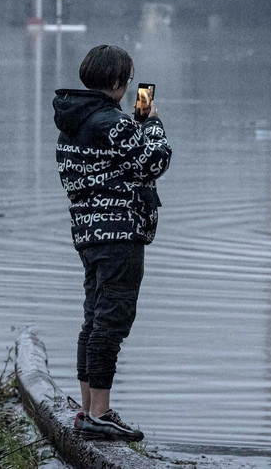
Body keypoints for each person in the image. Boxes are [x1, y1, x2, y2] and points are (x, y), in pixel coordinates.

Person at [54, 44, 171, 442]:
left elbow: (115, 162)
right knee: (112, 322)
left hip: (88, 234)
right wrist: (151, 122)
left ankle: (87, 411)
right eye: (129, 79)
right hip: (119, 234)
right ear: (119, 81)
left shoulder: (72, 121)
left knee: (94, 319)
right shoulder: (111, 121)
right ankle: (100, 415)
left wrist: (133, 128)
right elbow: (155, 161)